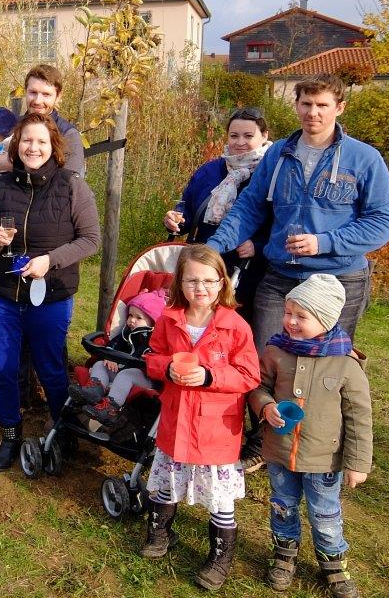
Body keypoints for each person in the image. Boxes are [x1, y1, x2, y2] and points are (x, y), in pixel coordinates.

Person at [207, 75, 389, 351]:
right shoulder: (278, 154)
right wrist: (212, 248)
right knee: (265, 358)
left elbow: (383, 221)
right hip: (280, 277)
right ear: (296, 105)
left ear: (340, 108)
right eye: (306, 103)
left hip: (339, 278)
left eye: (322, 104)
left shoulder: (364, 158)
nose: (313, 112)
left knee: (326, 368)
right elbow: (249, 207)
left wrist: (323, 242)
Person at [0, 113, 101, 472]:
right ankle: (10, 435)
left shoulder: (71, 186)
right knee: (2, 369)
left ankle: (62, 430)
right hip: (2, 294)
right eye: (27, 141)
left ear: (53, 148)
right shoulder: (2, 186)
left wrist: (51, 260)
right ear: (17, 145)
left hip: (51, 294)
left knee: (50, 369)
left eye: (41, 142)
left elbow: (91, 239)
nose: (33, 148)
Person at [140, 244, 260, 592]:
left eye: (209, 281)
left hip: (215, 429)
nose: (201, 288)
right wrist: (168, 367)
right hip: (176, 420)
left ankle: (220, 557)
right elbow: (153, 358)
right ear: (180, 283)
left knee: (220, 498)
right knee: (165, 483)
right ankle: (159, 533)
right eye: (192, 281)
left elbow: (249, 376)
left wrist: (210, 376)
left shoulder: (235, 326)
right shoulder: (169, 318)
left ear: (222, 283)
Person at [248, 274, 371, 597]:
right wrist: (266, 406)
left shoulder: (346, 364)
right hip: (279, 452)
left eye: (301, 316)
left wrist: (358, 464)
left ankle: (334, 566)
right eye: (288, 313)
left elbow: (359, 417)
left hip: (324, 460)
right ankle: (284, 555)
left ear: (326, 319)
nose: (290, 321)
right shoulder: (276, 352)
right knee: (282, 506)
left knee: (325, 514)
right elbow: (257, 387)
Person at [164, 106, 273, 317]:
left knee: (234, 324)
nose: (240, 142)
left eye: (248, 135)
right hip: (202, 260)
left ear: (264, 136)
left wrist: (258, 246)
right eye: (234, 136)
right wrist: (175, 219)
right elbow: (188, 208)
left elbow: (281, 222)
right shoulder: (210, 170)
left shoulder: (271, 172)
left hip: (248, 268)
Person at [74, 288, 167, 431]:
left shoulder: (154, 338)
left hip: (145, 376)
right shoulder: (126, 332)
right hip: (122, 367)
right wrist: (109, 356)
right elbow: (114, 344)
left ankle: (110, 409)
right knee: (100, 364)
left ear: (153, 321)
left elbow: (148, 358)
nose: (132, 320)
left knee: (126, 374)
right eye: (130, 315)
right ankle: (95, 389)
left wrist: (122, 361)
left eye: (138, 318)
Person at [0, 66, 85, 175]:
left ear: (58, 97)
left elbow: (70, 179)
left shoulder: (67, 134)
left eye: (46, 94)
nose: (38, 100)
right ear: (25, 92)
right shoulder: (11, 124)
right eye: (33, 93)